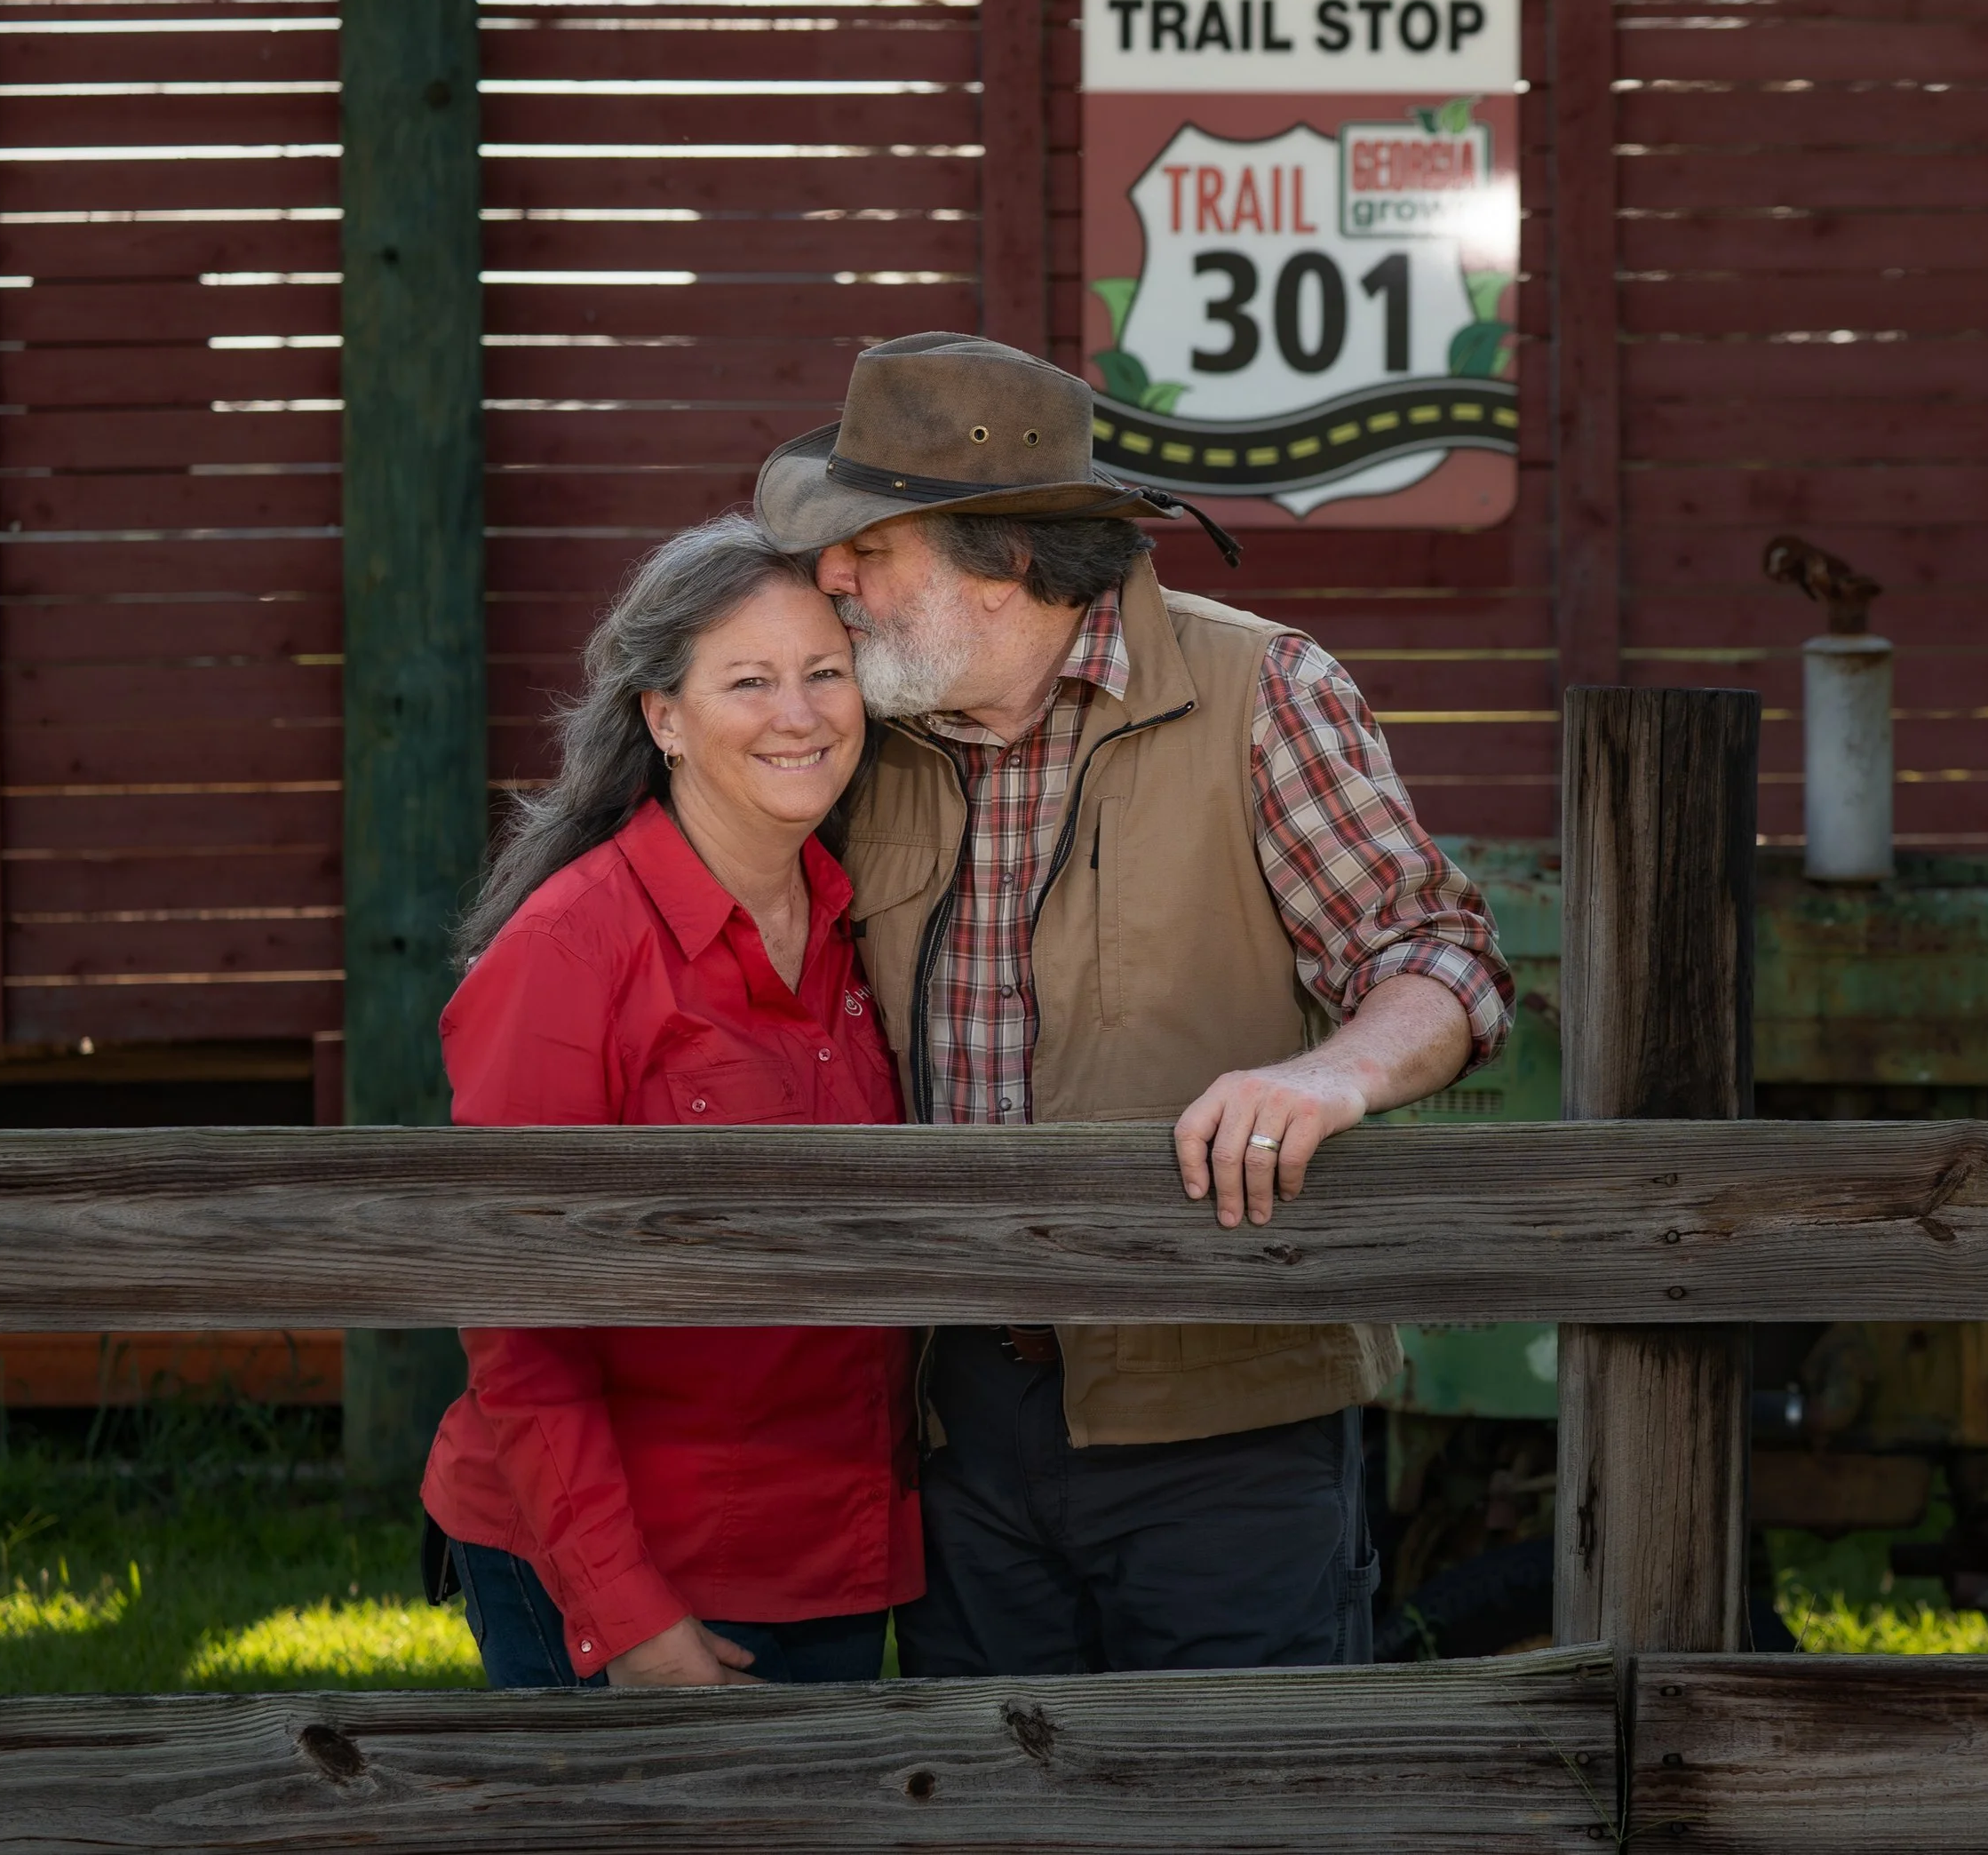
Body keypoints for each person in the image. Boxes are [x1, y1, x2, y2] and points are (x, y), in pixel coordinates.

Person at [752, 331, 1513, 1676]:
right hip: (951, 1406)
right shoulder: (863, 731)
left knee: (1235, 1780)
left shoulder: (1261, 691)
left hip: (1226, 1402)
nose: (831, 579)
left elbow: (1437, 957)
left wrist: (1331, 1077)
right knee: (994, 1780)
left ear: (1006, 561)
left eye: (869, 547)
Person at [419, 516, 922, 1688]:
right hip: (620, 1560)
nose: (799, 715)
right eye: (749, 682)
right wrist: (624, 1610)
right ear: (664, 718)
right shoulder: (568, 949)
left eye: (826, 672)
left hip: (833, 1550)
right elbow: (519, 1320)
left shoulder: (869, 921)